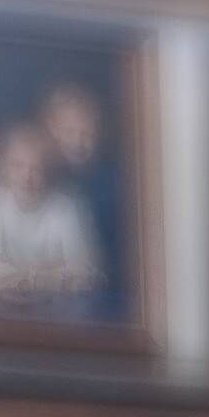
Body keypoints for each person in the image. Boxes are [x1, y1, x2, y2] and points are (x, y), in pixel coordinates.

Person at [0, 121, 103, 318]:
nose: (27, 177)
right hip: (4, 314)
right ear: (2, 166)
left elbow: (84, 275)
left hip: (61, 314)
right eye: (17, 166)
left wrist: (18, 277)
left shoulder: (64, 209)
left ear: (49, 171)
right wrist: (47, 276)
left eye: (37, 169)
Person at [39, 78, 126, 322]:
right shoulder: (36, 177)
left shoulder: (112, 182)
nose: (78, 143)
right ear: (49, 129)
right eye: (68, 133)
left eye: (86, 133)